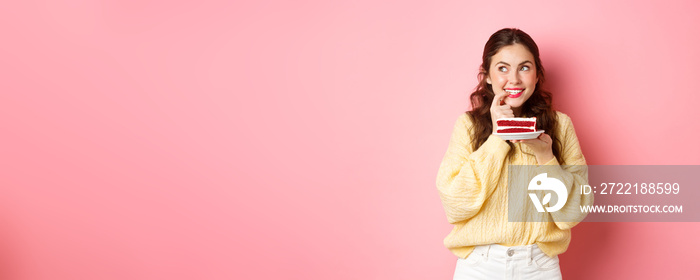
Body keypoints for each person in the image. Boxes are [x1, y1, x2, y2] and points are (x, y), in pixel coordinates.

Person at [436, 28, 593, 280]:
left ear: (537, 74)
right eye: (502, 68)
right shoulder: (468, 126)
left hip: (539, 266)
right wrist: (498, 137)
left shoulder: (560, 125)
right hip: (479, 266)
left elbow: (573, 213)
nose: (514, 80)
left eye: (524, 67)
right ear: (487, 75)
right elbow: (456, 205)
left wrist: (546, 159)